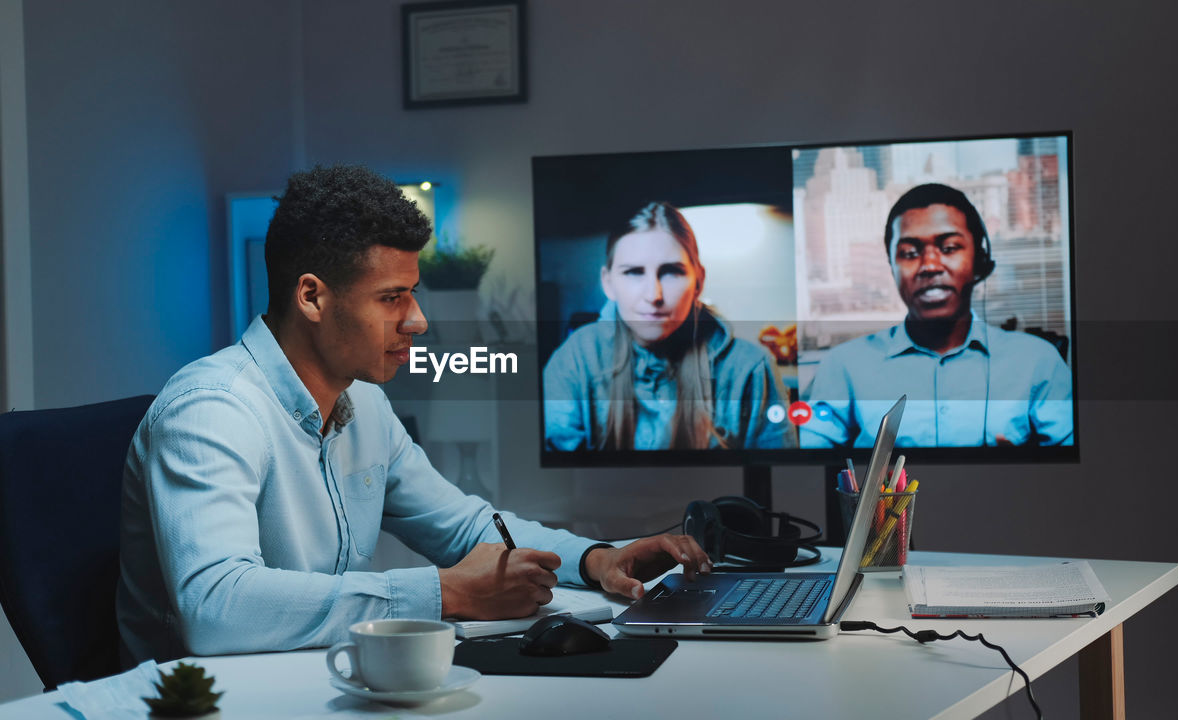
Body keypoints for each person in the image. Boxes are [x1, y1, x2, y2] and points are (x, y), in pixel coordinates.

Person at [116, 166, 711, 664]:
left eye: (413, 291)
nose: (418, 320)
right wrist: (444, 592)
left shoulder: (363, 401)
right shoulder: (212, 412)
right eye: (391, 297)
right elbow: (215, 610)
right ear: (312, 296)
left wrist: (596, 558)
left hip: (320, 684)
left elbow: (463, 525)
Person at [800, 183, 1073, 448]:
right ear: (892, 266)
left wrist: (1028, 472)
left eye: (949, 248)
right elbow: (807, 475)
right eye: (909, 253)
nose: (929, 266)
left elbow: (1080, 475)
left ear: (980, 259)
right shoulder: (843, 366)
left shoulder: (1038, 362)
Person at [543, 201, 787, 451]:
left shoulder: (750, 368)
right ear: (608, 283)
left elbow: (780, 479)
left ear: (699, 281)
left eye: (671, 271)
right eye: (634, 272)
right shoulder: (574, 360)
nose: (654, 295)